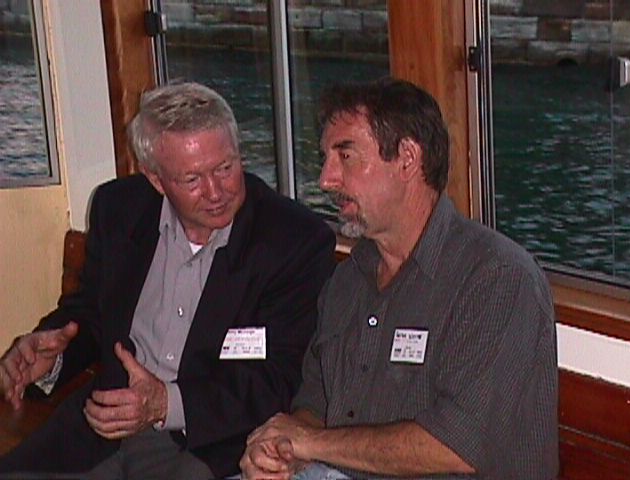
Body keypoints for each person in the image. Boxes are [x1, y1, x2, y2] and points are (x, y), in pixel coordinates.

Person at [0, 82, 336, 479]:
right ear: (156, 179)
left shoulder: (293, 239)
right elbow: (92, 313)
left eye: (225, 168)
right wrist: (54, 357)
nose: (216, 192)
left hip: (212, 441)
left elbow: (282, 378)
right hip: (104, 421)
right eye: (192, 180)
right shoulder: (119, 208)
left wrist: (166, 403)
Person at [240, 78, 558, 480]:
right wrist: (281, 450)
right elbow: (315, 403)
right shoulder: (347, 280)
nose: (326, 179)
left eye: (346, 156)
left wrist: (311, 443)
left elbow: (459, 445)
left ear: (407, 159)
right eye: (326, 159)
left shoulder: (498, 279)